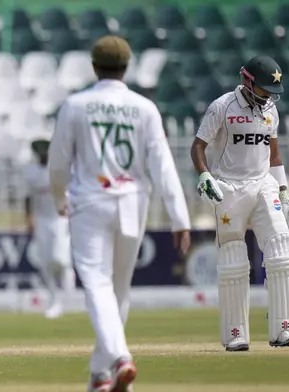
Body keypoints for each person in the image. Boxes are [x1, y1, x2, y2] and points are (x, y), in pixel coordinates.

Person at [49, 36, 191, 392]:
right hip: (133, 202)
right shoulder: (144, 108)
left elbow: (57, 162)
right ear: (127, 67)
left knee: (97, 283)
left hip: (90, 202)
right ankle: (101, 375)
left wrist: (57, 197)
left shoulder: (77, 104)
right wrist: (179, 218)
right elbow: (163, 166)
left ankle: (119, 358)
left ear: (94, 67)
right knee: (118, 290)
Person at [190, 55, 289, 352]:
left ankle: (284, 327)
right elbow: (197, 146)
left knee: (282, 249)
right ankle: (235, 333)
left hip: (264, 183)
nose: (268, 96)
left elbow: (274, 156)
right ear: (246, 80)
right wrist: (204, 176)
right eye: (264, 89)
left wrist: (284, 191)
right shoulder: (222, 106)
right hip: (229, 187)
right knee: (233, 258)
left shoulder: (270, 110)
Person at [24, 135, 75, 319]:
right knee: (45, 263)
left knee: (60, 259)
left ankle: (67, 298)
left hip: (60, 218)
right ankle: (55, 300)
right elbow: (28, 197)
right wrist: (29, 218)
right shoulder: (31, 172)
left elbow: (71, 193)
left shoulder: (59, 170)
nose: (42, 155)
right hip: (42, 220)